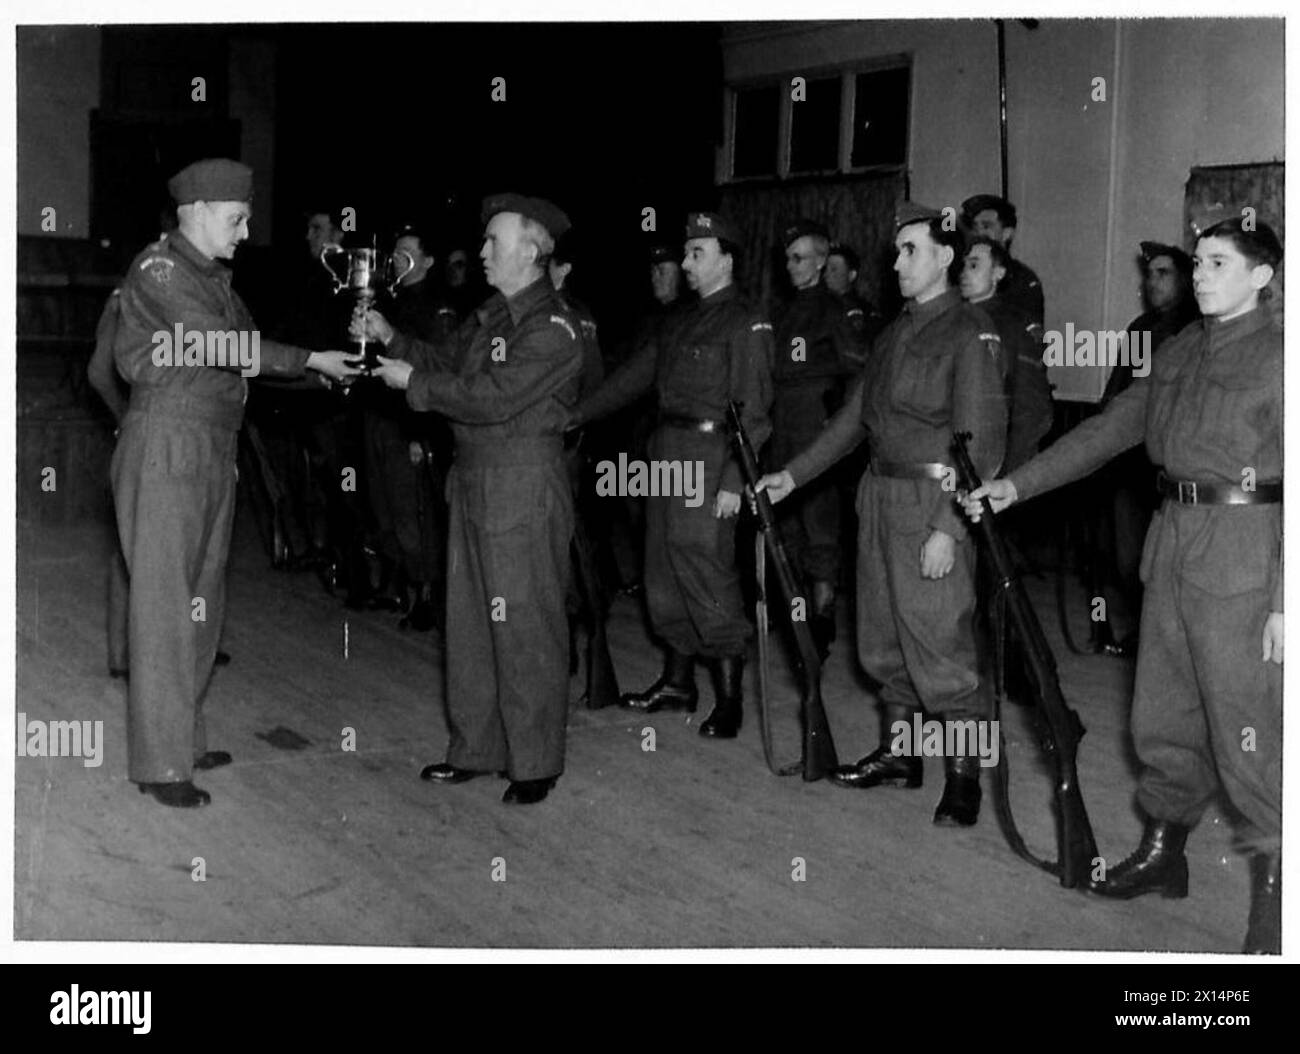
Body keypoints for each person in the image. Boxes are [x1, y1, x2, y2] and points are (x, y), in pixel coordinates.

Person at [962, 216, 1282, 954]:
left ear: (1262, 275)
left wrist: (1286, 602)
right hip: (1170, 544)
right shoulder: (1177, 351)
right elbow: (1111, 428)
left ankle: (1273, 897)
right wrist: (1016, 486)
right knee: (1162, 719)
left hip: (1245, 554)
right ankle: (1166, 855)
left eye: (1218, 263)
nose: (1199, 274)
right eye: (1196, 261)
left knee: (1248, 730)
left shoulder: (1280, 356)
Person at [112, 158, 359, 808]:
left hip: (213, 442)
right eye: (237, 217)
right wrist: (308, 359)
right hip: (168, 440)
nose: (246, 231)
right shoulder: (160, 272)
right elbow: (220, 347)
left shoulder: (214, 279)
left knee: (201, 600)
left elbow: (250, 348)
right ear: (196, 212)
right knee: (166, 603)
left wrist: (323, 373)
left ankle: (184, 740)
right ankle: (160, 763)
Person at [758, 203, 1006, 826]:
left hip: (933, 500)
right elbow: (852, 421)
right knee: (884, 639)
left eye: (910, 250)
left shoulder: (968, 332)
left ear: (945, 258)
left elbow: (983, 441)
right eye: (896, 251)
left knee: (941, 642)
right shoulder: (894, 332)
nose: (896, 262)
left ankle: (963, 777)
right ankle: (900, 756)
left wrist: (951, 527)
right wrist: (793, 474)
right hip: (879, 496)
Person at [358, 194, 584, 805]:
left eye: (493, 242)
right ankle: (476, 747)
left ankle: (535, 760)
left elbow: (494, 397)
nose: (481, 251)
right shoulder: (491, 315)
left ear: (531, 251)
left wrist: (416, 385)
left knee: (525, 621)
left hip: (521, 481)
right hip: (475, 476)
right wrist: (394, 339)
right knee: (472, 620)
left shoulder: (554, 327)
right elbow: (448, 363)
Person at [571, 213, 774, 739]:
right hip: (665, 452)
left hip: (710, 456)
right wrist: (574, 415)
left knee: (706, 570)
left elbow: (755, 411)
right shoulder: (678, 321)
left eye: (697, 253)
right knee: (660, 571)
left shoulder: (746, 321)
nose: (685, 263)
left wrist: (735, 480)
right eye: (685, 254)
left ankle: (730, 699)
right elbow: (633, 379)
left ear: (726, 259)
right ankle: (678, 681)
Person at [769, 218, 864, 655]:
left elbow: (857, 368)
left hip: (815, 425)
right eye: (788, 258)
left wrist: (834, 427)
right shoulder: (783, 310)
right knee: (786, 524)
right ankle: (796, 615)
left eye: (800, 258)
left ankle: (822, 619)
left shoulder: (834, 309)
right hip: (783, 422)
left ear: (823, 261)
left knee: (820, 524)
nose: (791, 266)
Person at [358, 226, 459, 629]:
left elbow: (437, 370)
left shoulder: (440, 308)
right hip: (379, 415)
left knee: (414, 516)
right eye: (394, 251)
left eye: (407, 251)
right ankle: (400, 581)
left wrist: (422, 433)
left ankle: (428, 595)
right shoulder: (390, 299)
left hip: (409, 423)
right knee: (383, 506)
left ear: (429, 261)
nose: (397, 257)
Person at [958, 236, 1053, 472]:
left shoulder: (1014, 327)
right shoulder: (949, 321)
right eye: (961, 265)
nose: (964, 273)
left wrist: (1007, 474)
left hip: (990, 461)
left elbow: (1033, 410)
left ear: (998, 273)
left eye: (974, 265)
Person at [962, 194, 1044, 328]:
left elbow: (1029, 336)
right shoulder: (961, 271)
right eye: (975, 227)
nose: (978, 233)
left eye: (986, 226)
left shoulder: (1022, 279)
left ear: (1007, 234)